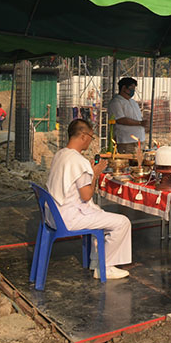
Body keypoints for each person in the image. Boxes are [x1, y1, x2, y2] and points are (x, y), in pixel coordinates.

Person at [47, 118, 131, 279]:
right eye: (91, 137)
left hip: (52, 214)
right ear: (83, 136)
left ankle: (96, 261)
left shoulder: (60, 154)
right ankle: (106, 267)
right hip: (67, 218)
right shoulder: (79, 161)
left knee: (98, 213)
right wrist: (95, 175)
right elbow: (86, 196)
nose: (90, 141)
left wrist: (90, 171)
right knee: (123, 222)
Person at [108, 77, 145, 154]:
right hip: (126, 141)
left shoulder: (133, 102)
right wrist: (139, 123)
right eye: (131, 89)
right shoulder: (116, 102)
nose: (133, 91)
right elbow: (120, 119)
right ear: (124, 88)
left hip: (139, 139)